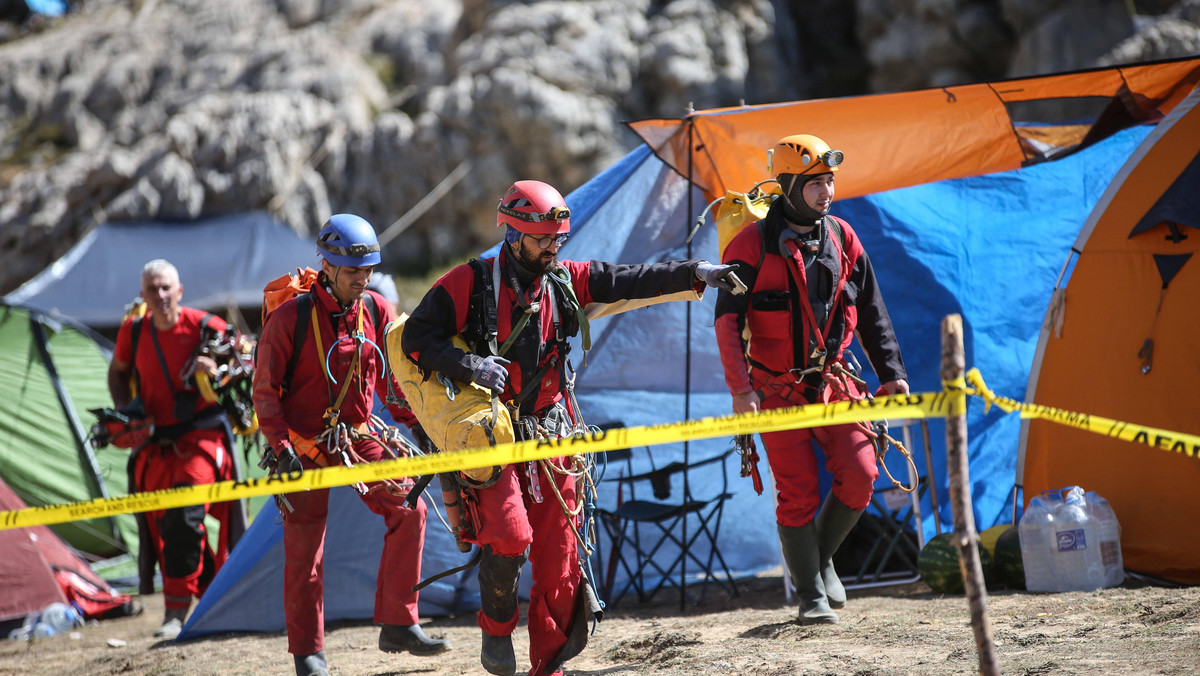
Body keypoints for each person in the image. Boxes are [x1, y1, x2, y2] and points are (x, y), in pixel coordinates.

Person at [401, 179, 739, 676]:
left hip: (553, 435)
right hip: (491, 438)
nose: (554, 249)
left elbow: (628, 279)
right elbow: (416, 337)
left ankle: (548, 667)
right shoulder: (468, 283)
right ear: (514, 236)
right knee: (511, 537)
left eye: (559, 239)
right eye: (544, 240)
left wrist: (699, 272)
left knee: (560, 561)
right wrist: (469, 365)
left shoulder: (564, 279)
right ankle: (497, 633)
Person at [713, 134, 909, 625]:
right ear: (788, 186)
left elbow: (872, 313)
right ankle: (810, 596)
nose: (827, 192)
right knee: (797, 493)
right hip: (775, 390)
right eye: (816, 183)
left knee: (862, 476)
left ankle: (819, 562)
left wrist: (892, 376)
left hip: (835, 382)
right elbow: (726, 324)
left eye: (830, 181)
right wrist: (741, 390)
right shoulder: (748, 246)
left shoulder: (843, 237)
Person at [251, 214, 450, 676]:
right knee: (306, 552)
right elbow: (265, 393)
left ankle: (400, 621)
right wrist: (280, 448)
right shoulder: (289, 320)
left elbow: (392, 384)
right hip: (300, 447)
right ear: (327, 265)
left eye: (367, 271)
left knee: (410, 508)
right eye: (352, 272)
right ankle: (307, 653)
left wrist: (420, 428)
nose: (362, 280)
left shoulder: (376, 309)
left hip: (360, 437)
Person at [107, 259, 248, 639]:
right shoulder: (133, 332)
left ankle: (175, 613)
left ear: (180, 291)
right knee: (165, 527)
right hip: (154, 443)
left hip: (202, 439)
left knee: (185, 516)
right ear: (143, 296)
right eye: (153, 289)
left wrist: (215, 367)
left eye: (167, 287)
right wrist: (125, 414)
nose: (161, 295)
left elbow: (246, 360)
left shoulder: (206, 326)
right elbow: (118, 371)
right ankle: (207, 596)